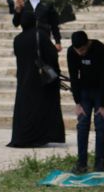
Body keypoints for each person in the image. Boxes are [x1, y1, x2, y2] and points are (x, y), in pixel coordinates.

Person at [10, 16, 66, 149]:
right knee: (41, 107)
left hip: (24, 78)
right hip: (41, 79)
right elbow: (52, 54)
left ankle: (24, 137)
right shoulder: (40, 35)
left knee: (25, 108)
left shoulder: (17, 39)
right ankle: (40, 137)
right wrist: (55, 71)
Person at [67, 31, 104, 173]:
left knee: (100, 124)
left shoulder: (99, 48)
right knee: (82, 125)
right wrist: (77, 102)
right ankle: (82, 163)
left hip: (100, 89)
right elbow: (73, 76)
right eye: (77, 50)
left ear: (87, 44)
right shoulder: (72, 52)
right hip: (84, 91)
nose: (80, 53)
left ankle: (99, 163)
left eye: (82, 50)